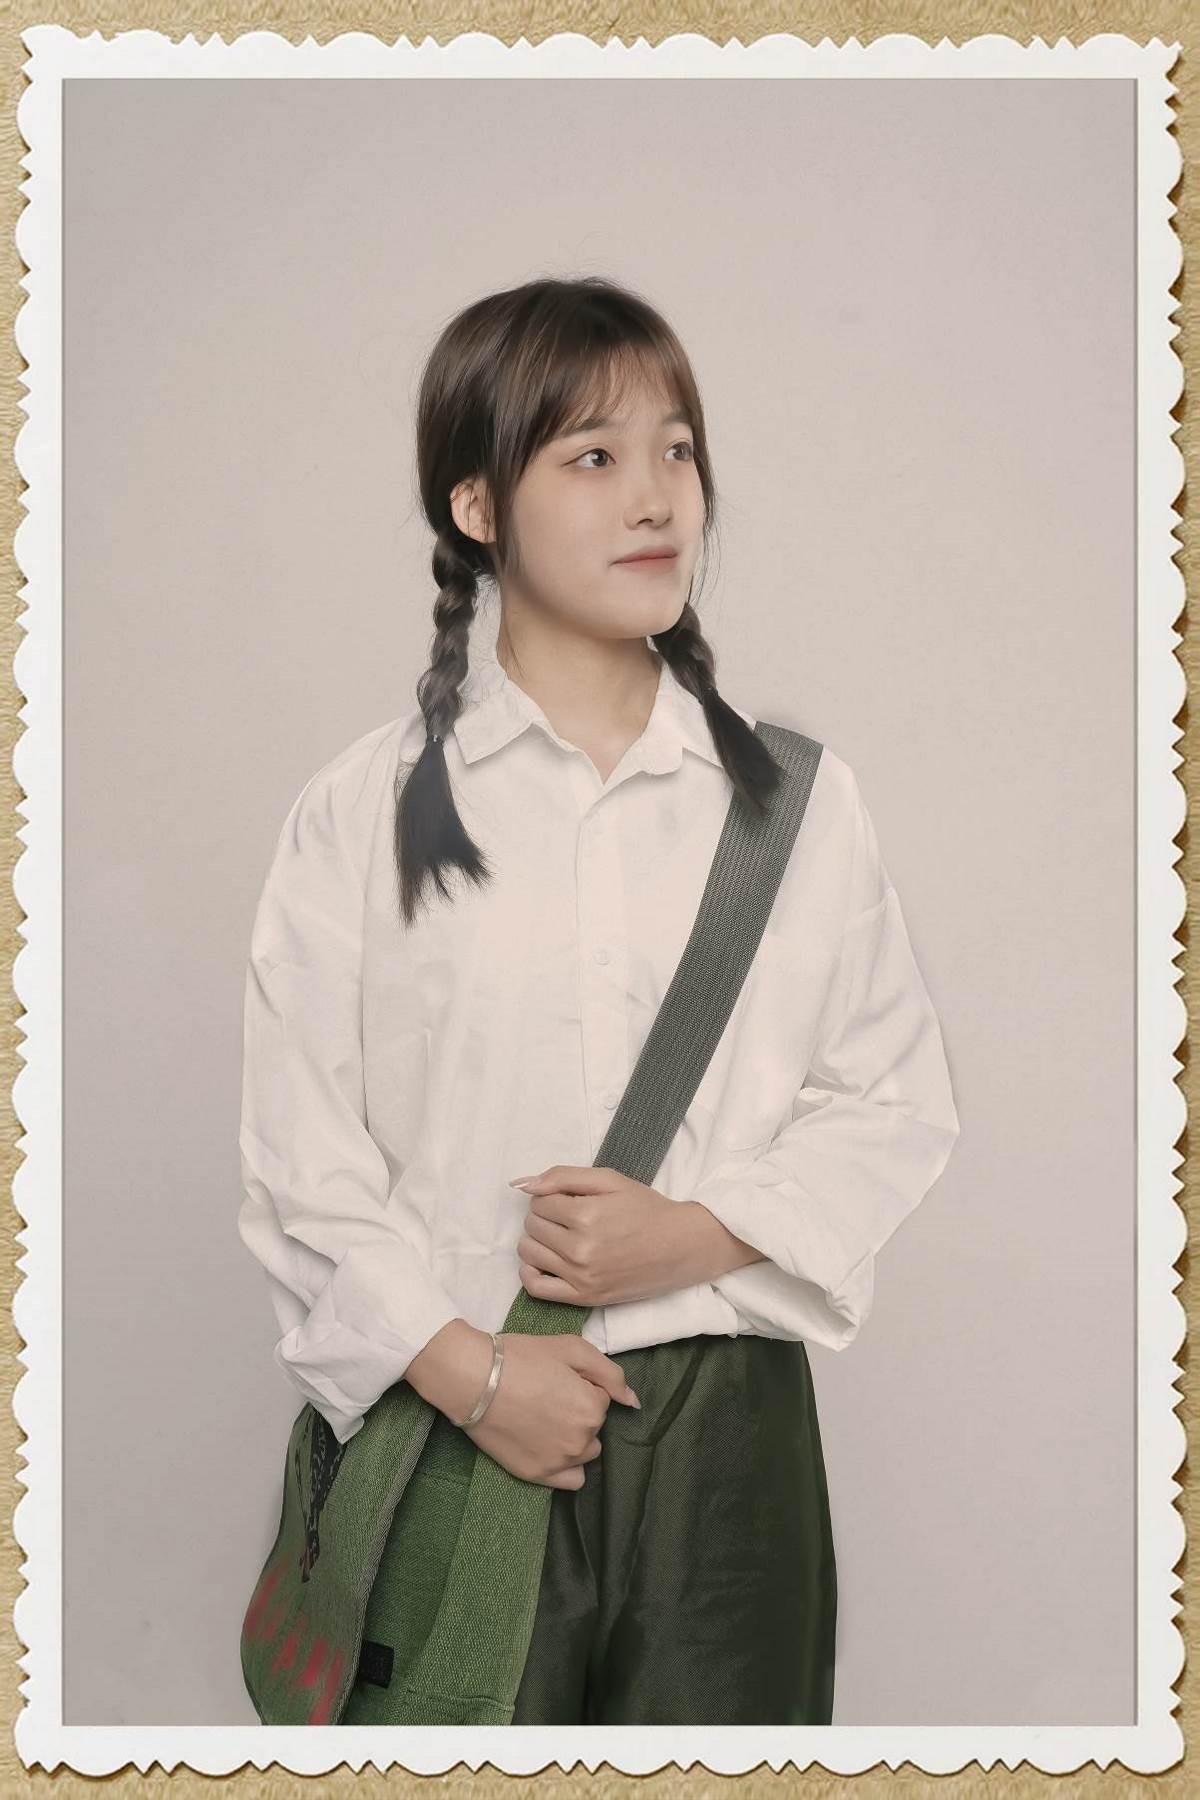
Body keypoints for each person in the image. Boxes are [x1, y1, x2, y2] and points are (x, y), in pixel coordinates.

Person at [237, 274, 962, 1725]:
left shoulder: (794, 803)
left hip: (728, 1453)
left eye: (677, 449)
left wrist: (691, 1235)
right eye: (593, 455)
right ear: (477, 507)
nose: (656, 497)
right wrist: (471, 1374)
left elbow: (892, 1099)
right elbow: (300, 1165)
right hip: (457, 1411)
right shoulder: (363, 811)